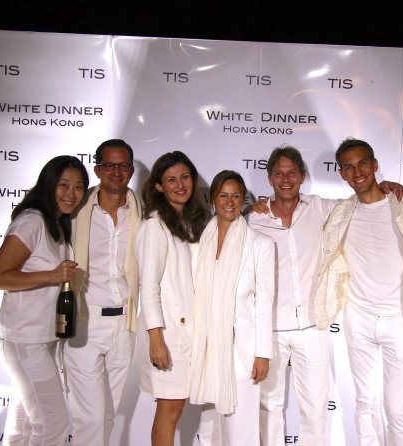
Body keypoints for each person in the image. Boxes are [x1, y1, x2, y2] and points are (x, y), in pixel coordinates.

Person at [249, 145, 403, 446]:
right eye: (279, 174)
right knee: (269, 408)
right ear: (269, 179)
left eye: (291, 173)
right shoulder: (254, 219)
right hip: (270, 330)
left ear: (302, 176)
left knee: (316, 411)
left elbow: (363, 200)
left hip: (313, 326)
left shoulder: (321, 207)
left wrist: (385, 186)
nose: (286, 180)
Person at [314, 138, 403, 446]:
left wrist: (395, 188)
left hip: (400, 317)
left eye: (363, 163)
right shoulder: (339, 212)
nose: (357, 172)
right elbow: (296, 206)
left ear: (375, 164)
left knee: (398, 407)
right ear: (341, 174)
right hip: (359, 317)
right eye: (348, 167)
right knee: (365, 402)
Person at [0, 155, 89, 445]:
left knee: (22, 426)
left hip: (41, 339)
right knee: (53, 424)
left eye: (78, 187)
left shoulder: (57, 223)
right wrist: (52, 275)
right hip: (25, 340)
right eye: (64, 184)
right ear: (49, 184)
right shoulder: (31, 221)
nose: (71, 193)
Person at [63, 139, 142, 445]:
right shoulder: (76, 209)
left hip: (124, 325)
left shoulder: (141, 210)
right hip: (85, 322)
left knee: (108, 414)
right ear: (97, 169)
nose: (116, 172)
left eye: (123, 165)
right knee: (91, 418)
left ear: (131, 170)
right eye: (109, 165)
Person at [190, 170, 275, 445]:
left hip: (242, 352)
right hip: (206, 349)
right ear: (213, 199)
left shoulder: (260, 244)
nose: (229, 202)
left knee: (241, 431)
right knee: (209, 430)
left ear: (243, 200)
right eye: (223, 196)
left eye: (236, 196)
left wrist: (262, 354)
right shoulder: (198, 243)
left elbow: (265, 303)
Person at [136, 151, 209, 446]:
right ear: (158, 186)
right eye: (171, 180)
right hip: (167, 334)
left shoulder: (195, 222)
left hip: (192, 331)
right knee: (170, 408)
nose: (180, 185)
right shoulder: (154, 226)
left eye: (185, 177)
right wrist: (156, 338)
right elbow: (148, 286)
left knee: (178, 407)